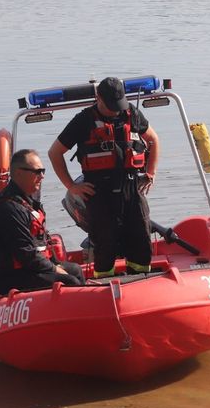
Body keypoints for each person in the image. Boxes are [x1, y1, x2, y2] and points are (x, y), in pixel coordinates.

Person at [48, 77, 160, 277]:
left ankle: (142, 277)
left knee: (141, 238)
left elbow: (153, 139)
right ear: (98, 98)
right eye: (111, 106)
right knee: (105, 243)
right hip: (99, 192)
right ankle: (104, 283)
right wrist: (71, 186)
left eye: (119, 105)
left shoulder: (131, 114)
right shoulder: (83, 121)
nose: (116, 110)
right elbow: (55, 152)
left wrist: (150, 174)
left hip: (131, 187)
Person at [0, 149, 85, 295]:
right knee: (70, 281)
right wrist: (55, 269)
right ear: (18, 173)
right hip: (10, 276)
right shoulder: (8, 210)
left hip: (28, 268)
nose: (42, 176)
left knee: (75, 269)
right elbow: (26, 254)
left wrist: (55, 264)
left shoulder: (27, 203)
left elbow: (40, 243)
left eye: (43, 171)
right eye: (37, 171)